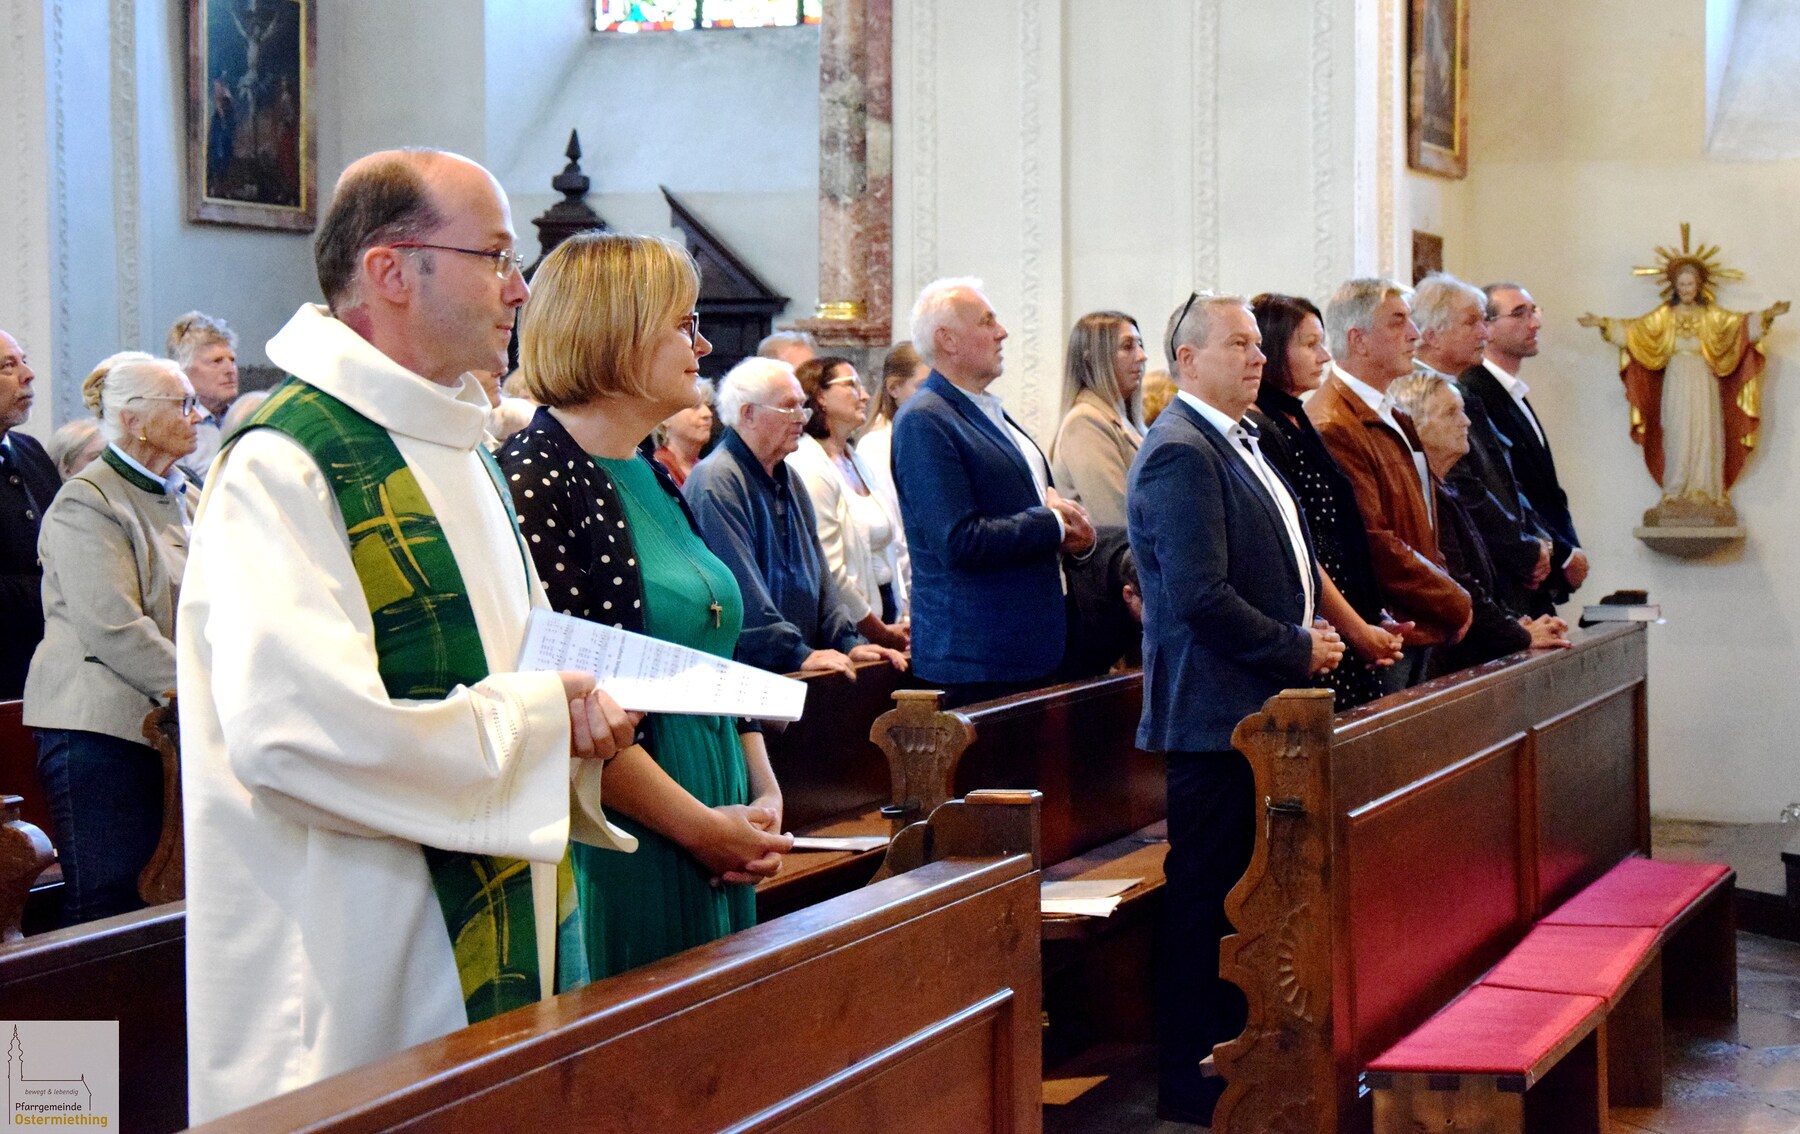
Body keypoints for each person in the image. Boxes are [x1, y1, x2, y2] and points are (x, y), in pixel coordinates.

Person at [178, 148, 640, 1122]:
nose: (519, 288)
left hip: (490, 923)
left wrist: (576, 713)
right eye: (495, 257)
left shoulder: (458, 444)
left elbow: (516, 659)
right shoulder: (287, 463)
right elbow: (294, 738)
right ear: (391, 271)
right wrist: (536, 720)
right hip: (360, 961)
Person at [499, 231, 791, 977]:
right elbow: (574, 705)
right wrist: (700, 830)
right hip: (628, 826)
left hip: (715, 799)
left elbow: (709, 648)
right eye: (683, 325)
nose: (703, 346)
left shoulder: (649, 472)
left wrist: (761, 788)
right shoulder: (537, 477)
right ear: (617, 331)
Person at [1128, 292, 1343, 1126]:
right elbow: (1199, 598)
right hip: (1216, 718)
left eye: (1258, 345)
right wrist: (1297, 647)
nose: (1258, 358)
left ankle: (1241, 1054)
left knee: (1244, 898)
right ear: (1187, 360)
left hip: (1256, 716)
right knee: (1210, 900)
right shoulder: (1182, 451)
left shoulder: (1235, 439)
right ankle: (1192, 1080)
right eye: (1238, 345)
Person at [24, 352, 201, 925]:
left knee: (173, 905)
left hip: (174, 723)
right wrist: (210, 693)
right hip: (101, 734)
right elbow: (116, 629)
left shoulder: (188, 495)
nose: (198, 415)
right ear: (133, 420)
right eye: (183, 404)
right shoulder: (88, 500)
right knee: (108, 908)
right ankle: (75, 997)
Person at [892, 278, 1094, 706]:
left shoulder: (985, 410)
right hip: (976, 657)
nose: (1002, 332)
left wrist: (1068, 528)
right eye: (987, 322)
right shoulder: (925, 420)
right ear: (947, 339)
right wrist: (1053, 523)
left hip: (1025, 645)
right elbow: (958, 540)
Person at [684, 357, 906, 677]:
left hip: (794, 668)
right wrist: (797, 653)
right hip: (752, 674)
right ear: (748, 414)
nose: (801, 418)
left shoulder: (789, 477)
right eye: (789, 407)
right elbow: (740, 592)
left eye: (803, 406)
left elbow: (821, 577)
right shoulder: (716, 480)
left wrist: (847, 642)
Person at [1308, 278, 1470, 689]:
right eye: (1398, 322)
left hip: (1417, 620)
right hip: (1386, 629)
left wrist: (1445, 592)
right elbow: (1374, 541)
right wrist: (1453, 598)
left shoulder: (1389, 411)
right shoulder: (1334, 422)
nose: (1414, 334)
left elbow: (1422, 522)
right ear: (1358, 340)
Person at [1247, 294, 1407, 710]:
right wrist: (1356, 629)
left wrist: (1372, 612)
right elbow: (1302, 549)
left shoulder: (1296, 416)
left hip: (1344, 621)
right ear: (1274, 349)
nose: (1324, 355)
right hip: (1323, 629)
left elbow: (1345, 531)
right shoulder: (1263, 428)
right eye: (1310, 344)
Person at [1578, 253, 1789, 525]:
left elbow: (1738, 326)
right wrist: (1604, 324)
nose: (1686, 289)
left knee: (1704, 430)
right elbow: (1636, 330)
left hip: (1704, 377)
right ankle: (1675, 491)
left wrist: (1767, 316)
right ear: (1675, 287)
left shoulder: (1711, 315)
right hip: (1677, 375)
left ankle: (1705, 490)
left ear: (1699, 285)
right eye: (1682, 285)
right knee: (1677, 431)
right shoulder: (1665, 315)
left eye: (1690, 284)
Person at [1390, 371, 1571, 673]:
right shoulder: (1422, 497)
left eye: (1462, 411)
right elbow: (1460, 585)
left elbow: (1477, 583)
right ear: (1414, 425)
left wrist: (1514, 624)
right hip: (1445, 664)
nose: (1466, 422)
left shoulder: (1445, 491)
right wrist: (1520, 635)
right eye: (1450, 413)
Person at [1410, 274, 1553, 616]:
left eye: (1484, 322)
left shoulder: (1464, 393)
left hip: (1507, 576)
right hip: (1477, 579)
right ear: (1432, 335)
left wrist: (1538, 539)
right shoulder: (1418, 397)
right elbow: (1462, 488)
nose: (1485, 334)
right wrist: (1523, 550)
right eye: (1472, 322)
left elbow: (1506, 479)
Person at [1471, 283, 1587, 610]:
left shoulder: (1510, 391)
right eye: (1519, 314)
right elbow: (1505, 488)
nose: (1534, 323)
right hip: (1514, 575)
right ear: (1487, 327)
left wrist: (1568, 549)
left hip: (1540, 568)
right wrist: (1561, 553)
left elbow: (1545, 488)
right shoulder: (1478, 392)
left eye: (1534, 312)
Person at [788, 356, 909, 649]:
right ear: (820, 396)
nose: (864, 395)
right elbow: (830, 569)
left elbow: (891, 547)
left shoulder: (856, 460)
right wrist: (878, 630)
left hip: (884, 613)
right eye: (851, 385)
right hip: (848, 630)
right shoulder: (808, 464)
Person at [0, 329, 58, 700]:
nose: (28, 374)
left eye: (24, 361)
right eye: (8, 366)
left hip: (46, 678)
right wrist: (56, 592)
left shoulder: (30, 451)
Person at [1049, 311, 1147, 528]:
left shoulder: (1119, 418)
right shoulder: (1085, 421)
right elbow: (1115, 518)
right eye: (1128, 346)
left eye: (1140, 345)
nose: (1142, 356)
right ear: (1092, 359)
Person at [852, 341, 925, 615]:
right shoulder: (877, 444)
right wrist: (909, 603)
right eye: (923, 386)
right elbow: (894, 531)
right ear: (894, 388)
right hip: (906, 591)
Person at [165, 311, 240, 484]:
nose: (230, 370)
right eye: (217, 361)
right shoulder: (173, 428)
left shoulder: (245, 417)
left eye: (232, 360)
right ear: (183, 370)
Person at [651, 378, 713, 488]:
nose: (707, 413)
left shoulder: (706, 468)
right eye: (694, 406)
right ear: (665, 417)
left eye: (707, 405)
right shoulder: (658, 469)